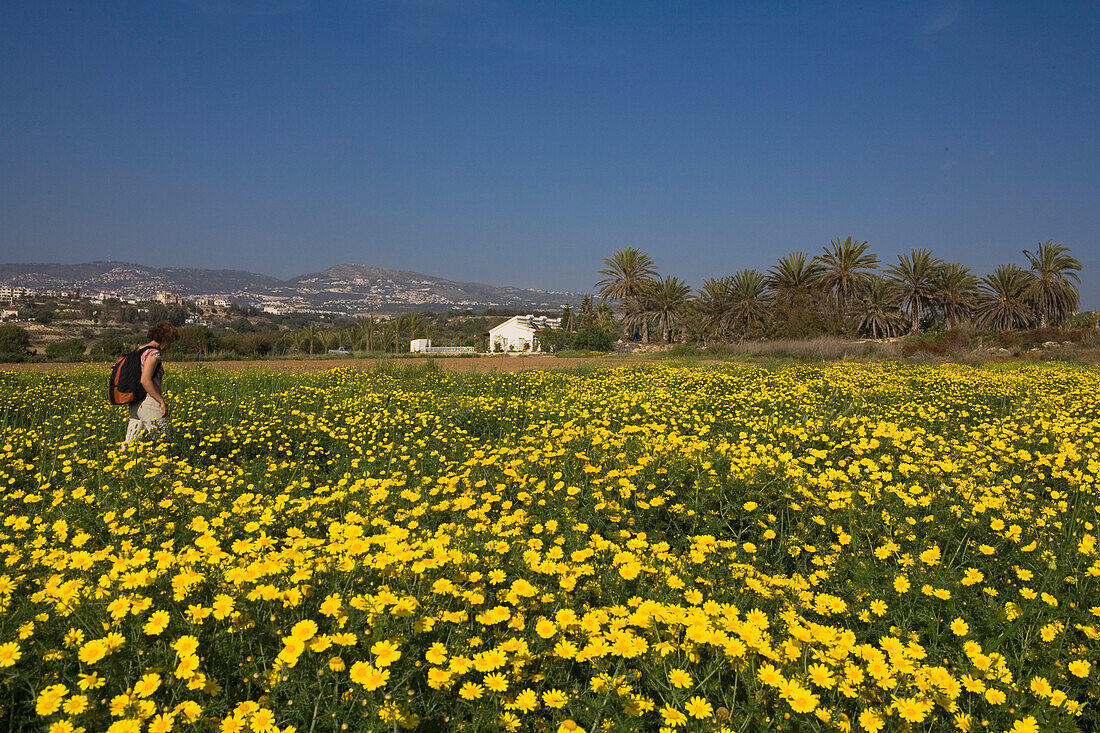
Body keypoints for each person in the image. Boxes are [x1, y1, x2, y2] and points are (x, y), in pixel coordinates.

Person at [125, 321, 179, 443]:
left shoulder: (138, 350)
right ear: (165, 339)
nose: (169, 345)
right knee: (163, 440)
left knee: (130, 443)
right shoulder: (153, 354)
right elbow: (145, 380)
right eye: (170, 341)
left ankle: (122, 461)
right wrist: (161, 401)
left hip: (135, 401)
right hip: (149, 400)